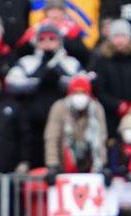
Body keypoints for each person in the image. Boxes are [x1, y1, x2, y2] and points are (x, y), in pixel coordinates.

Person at [5, 23, 82, 168]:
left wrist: (60, 81)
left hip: (64, 123)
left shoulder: (70, 63)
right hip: (33, 124)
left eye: (52, 39)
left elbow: (83, 84)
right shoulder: (27, 62)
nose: (47, 43)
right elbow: (11, 83)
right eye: (43, 39)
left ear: (59, 41)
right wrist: (37, 82)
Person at [89, 19, 131, 135]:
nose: (120, 41)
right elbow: (99, 90)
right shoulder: (101, 61)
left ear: (130, 38)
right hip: (109, 116)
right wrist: (118, 105)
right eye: (116, 36)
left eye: (123, 36)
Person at [44, 74, 107, 180]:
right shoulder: (59, 107)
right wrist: (53, 165)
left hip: (90, 166)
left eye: (83, 92)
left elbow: (101, 138)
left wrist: (102, 165)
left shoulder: (96, 108)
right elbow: (52, 137)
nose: (80, 96)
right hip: (64, 164)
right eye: (76, 92)